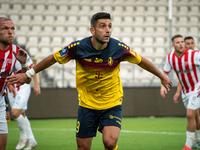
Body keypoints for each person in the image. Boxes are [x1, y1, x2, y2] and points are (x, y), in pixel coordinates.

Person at [7, 12, 172, 150]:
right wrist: (29, 73)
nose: (108, 30)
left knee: (110, 142)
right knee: (83, 147)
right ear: (92, 30)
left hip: (112, 102)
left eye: (109, 26)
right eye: (103, 26)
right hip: (87, 105)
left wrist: (162, 76)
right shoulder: (78, 47)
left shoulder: (119, 48)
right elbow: (53, 59)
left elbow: (141, 60)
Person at [160, 34, 200, 150]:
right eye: (177, 42)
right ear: (173, 45)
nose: (181, 44)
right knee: (195, 116)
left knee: (189, 115)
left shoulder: (194, 55)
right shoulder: (170, 58)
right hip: (185, 91)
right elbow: (165, 73)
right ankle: (197, 139)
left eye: (182, 42)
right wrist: (162, 86)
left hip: (196, 89)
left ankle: (188, 145)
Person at [0, 17, 30, 150]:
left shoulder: (16, 52)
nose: (10, 32)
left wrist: (24, 65)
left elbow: (26, 80)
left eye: (12, 28)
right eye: (5, 28)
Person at [6, 55, 40, 150]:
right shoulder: (2, 54)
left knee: (15, 112)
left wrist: (36, 85)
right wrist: (8, 85)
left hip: (23, 87)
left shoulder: (20, 52)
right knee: (21, 115)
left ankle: (23, 136)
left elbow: (32, 69)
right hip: (11, 89)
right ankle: (32, 140)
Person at [173, 36, 200, 149]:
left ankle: (192, 141)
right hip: (192, 91)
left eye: (191, 43)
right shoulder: (184, 59)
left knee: (193, 115)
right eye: (187, 43)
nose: (189, 45)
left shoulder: (197, 55)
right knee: (195, 115)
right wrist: (178, 92)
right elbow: (182, 79)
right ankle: (197, 138)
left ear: (194, 45)